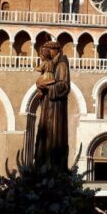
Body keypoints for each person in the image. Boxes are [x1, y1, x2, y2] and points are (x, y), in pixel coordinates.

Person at [33, 41, 71, 169]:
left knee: (54, 135)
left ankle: (53, 164)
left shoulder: (62, 64)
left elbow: (64, 86)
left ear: (55, 50)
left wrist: (48, 87)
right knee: (45, 132)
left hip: (56, 108)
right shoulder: (53, 64)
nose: (45, 54)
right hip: (48, 105)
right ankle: (42, 162)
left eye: (48, 51)